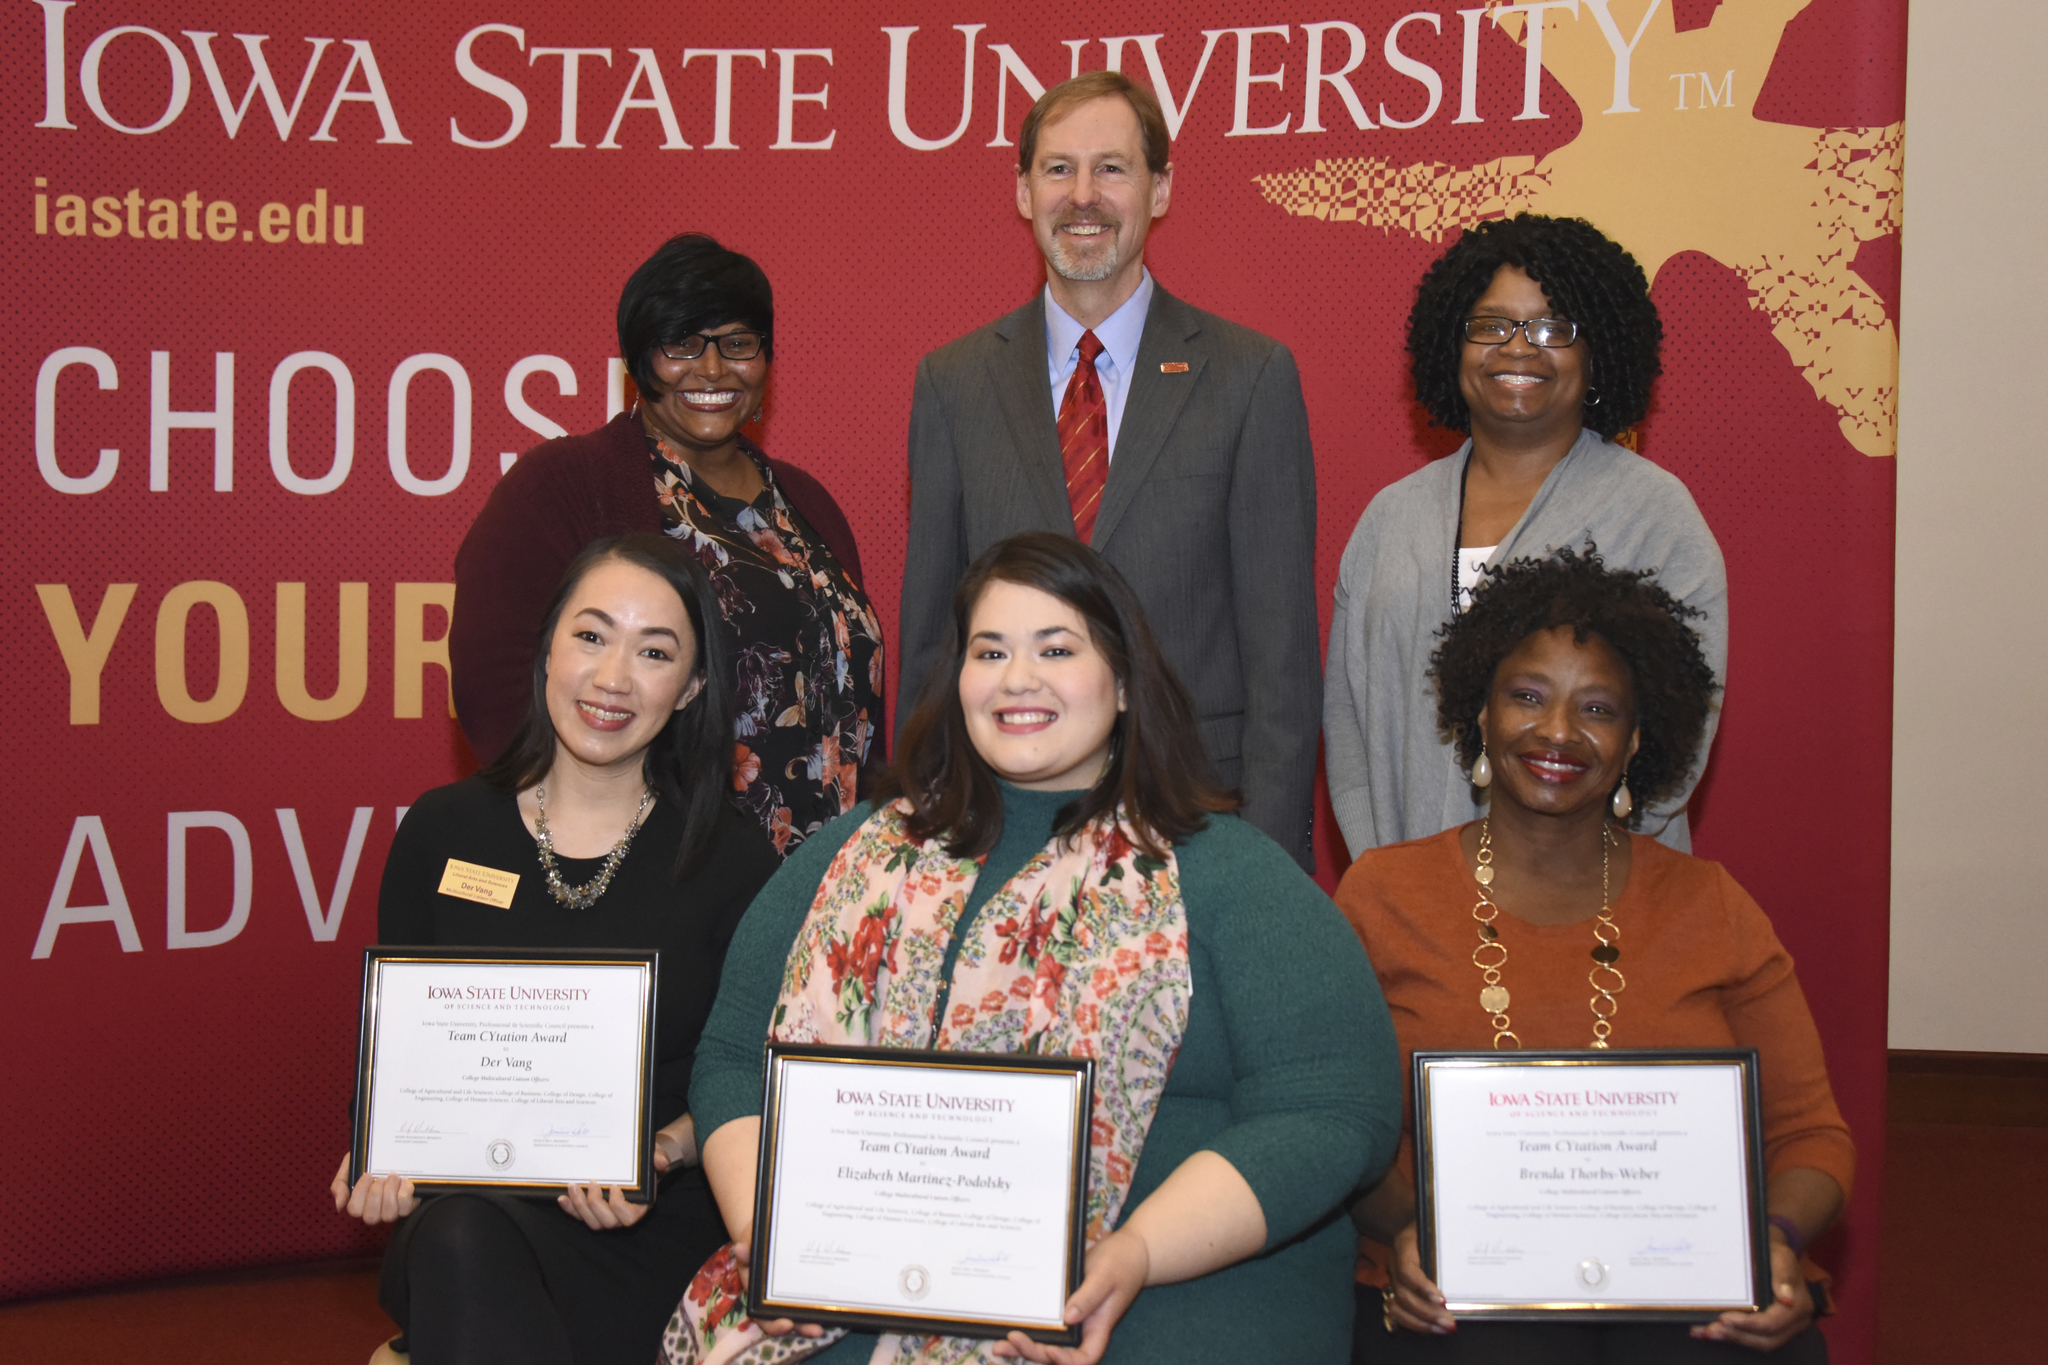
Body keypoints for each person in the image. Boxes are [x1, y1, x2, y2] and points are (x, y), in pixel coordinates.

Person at [661, 532, 1400, 1365]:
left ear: (1122, 682)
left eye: (1057, 648)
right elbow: (730, 1057)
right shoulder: (850, 855)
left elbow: (1336, 1106)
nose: (1019, 678)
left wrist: (1139, 1251)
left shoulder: (1226, 871)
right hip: (845, 1286)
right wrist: (769, 1229)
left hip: (1157, 1292)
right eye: (991, 650)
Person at [1338, 547, 1852, 1363]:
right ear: (1481, 713)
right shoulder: (1381, 894)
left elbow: (1812, 1136)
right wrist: (1409, 1230)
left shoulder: (1709, 904)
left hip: (1680, 1286)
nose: (1557, 731)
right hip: (1452, 1290)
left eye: (1598, 708)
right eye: (1528, 696)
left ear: (1636, 739)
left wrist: (1774, 1242)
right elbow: (1340, 1127)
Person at [335, 534, 782, 1365]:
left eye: (654, 652)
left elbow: (751, 1073)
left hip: (649, 1222)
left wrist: (662, 1151)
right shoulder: (442, 830)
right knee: (463, 1237)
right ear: (546, 649)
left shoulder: (736, 863)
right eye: (591, 635)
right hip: (468, 1213)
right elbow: (393, 1047)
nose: (613, 678)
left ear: (688, 688)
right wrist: (377, 1144)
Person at [898, 70, 1321, 871]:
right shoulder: (951, 383)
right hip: (1003, 826)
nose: (1082, 195)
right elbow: (931, 646)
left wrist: (1268, 873)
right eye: (1058, 168)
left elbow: (1283, 669)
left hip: (1197, 819)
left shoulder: (1249, 376)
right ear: (1023, 191)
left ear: (1160, 189)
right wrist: (925, 842)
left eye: (1112, 168)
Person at [453, 233, 884, 856]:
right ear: (637, 359)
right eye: (681, 344)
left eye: (738, 344)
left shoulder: (808, 504)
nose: (712, 370)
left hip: (831, 884)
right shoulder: (567, 486)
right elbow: (492, 684)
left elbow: (856, 701)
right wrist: (598, 843)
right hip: (666, 876)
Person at [1324, 213, 1727, 859]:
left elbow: (1679, 738)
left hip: (1592, 905)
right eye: (1490, 325)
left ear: (1598, 352)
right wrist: (1387, 881)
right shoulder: (1389, 519)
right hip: (1412, 909)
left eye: (1551, 327)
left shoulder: (1654, 515)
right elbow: (1349, 731)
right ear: (1450, 344)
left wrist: (1562, 880)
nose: (1518, 347)